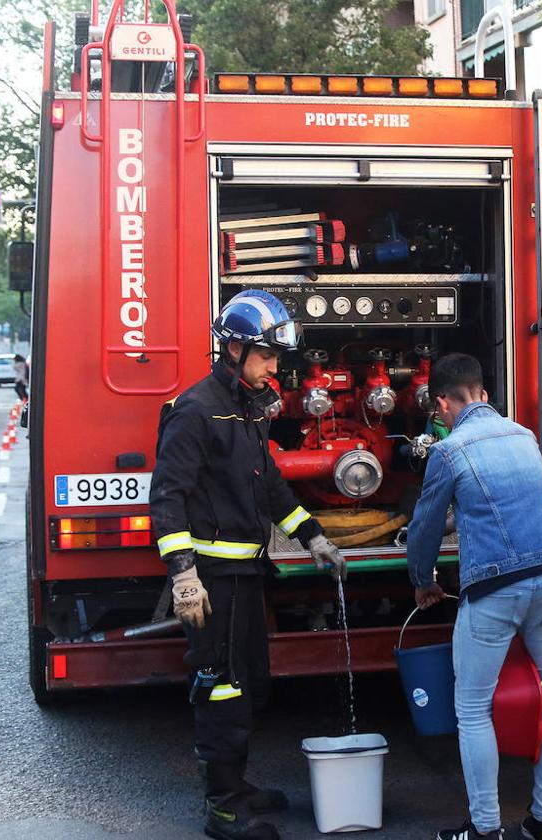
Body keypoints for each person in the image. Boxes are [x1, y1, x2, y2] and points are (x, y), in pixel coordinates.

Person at [150, 290, 347, 840]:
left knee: (250, 683)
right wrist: (183, 574)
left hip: (244, 574)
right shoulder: (194, 411)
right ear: (233, 349)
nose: (274, 367)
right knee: (221, 688)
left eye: (276, 357)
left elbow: (272, 488)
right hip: (211, 582)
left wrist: (314, 538)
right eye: (266, 355)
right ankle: (224, 808)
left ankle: (237, 786)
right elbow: (167, 496)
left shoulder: (246, 408)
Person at [406, 352, 542, 840]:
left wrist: (423, 579)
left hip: (496, 587)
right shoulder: (524, 436)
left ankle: (484, 829)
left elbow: (425, 528)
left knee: (474, 709)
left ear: (442, 402)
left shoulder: (449, 450)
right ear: (482, 392)